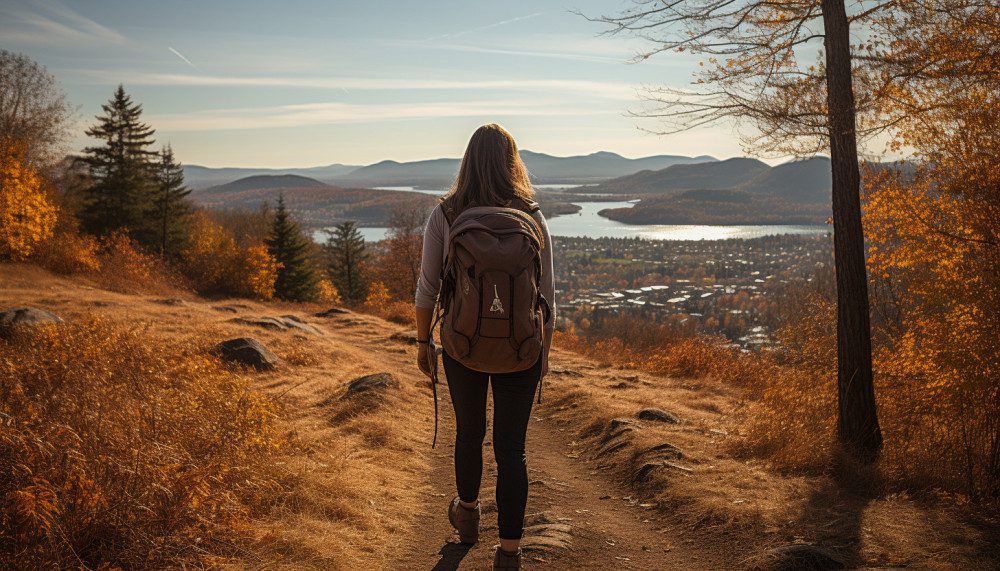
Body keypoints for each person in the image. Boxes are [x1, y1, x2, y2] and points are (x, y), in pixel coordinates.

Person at [414, 123, 555, 570]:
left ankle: (468, 514)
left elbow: (427, 289)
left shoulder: (447, 213)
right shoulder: (531, 216)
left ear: (467, 160)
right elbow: (548, 297)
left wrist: (423, 342)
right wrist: (543, 352)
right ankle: (510, 551)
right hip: (520, 350)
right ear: (513, 161)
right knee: (512, 449)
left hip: (462, 346)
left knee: (469, 434)